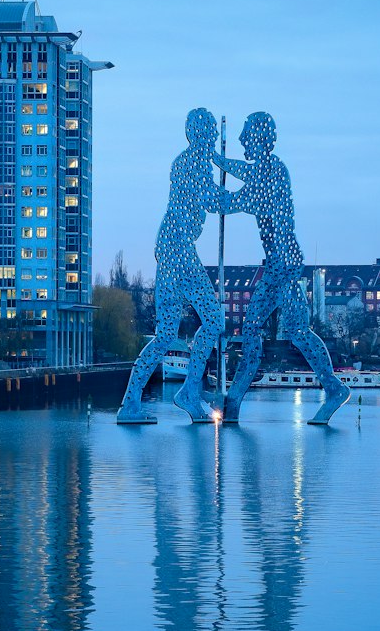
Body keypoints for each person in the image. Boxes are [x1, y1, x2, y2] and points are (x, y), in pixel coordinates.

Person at [213, 112, 349, 426]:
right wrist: (218, 161)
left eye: (245, 137)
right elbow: (243, 174)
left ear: (257, 139)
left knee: (278, 332)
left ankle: (332, 388)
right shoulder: (266, 169)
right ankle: (234, 406)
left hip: (283, 266)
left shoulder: (273, 172)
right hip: (279, 265)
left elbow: (239, 199)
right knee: (268, 333)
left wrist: (210, 190)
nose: (242, 142)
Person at [117, 109, 232, 424]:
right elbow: (212, 200)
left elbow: (211, 198)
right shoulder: (189, 163)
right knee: (209, 320)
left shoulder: (194, 162)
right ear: (197, 134)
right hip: (177, 250)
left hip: (177, 249)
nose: (210, 140)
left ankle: (145, 402)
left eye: (211, 135)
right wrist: (247, 198)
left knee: (171, 332)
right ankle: (185, 394)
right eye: (207, 134)